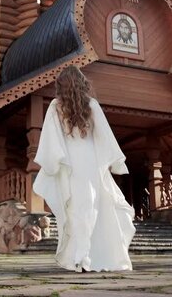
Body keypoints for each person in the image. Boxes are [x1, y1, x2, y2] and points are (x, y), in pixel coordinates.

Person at [33, 65, 136, 272]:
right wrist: (113, 164)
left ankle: (81, 258)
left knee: (77, 210)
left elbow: (52, 139)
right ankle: (91, 257)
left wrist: (54, 162)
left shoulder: (56, 106)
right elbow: (105, 137)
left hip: (71, 162)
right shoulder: (91, 105)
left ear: (60, 85)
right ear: (82, 83)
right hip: (91, 161)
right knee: (95, 207)